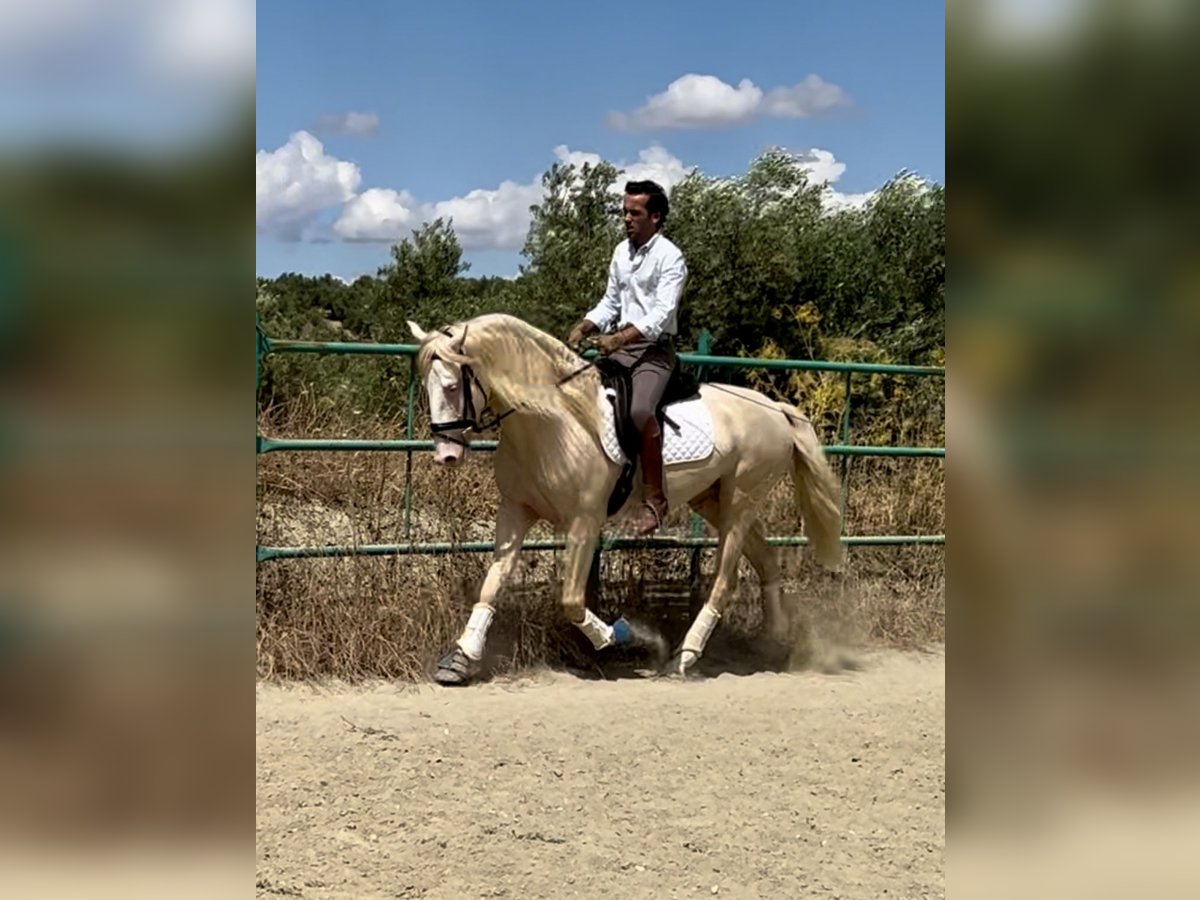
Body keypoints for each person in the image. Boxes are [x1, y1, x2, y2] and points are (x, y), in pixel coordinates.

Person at [567, 179, 688, 535]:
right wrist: (585, 326)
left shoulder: (671, 257)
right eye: (624, 212)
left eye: (634, 213)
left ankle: (655, 499)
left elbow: (662, 314)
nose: (626, 219)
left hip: (652, 353)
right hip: (619, 349)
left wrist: (621, 337)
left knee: (638, 411)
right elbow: (611, 302)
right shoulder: (622, 252)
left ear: (656, 216)